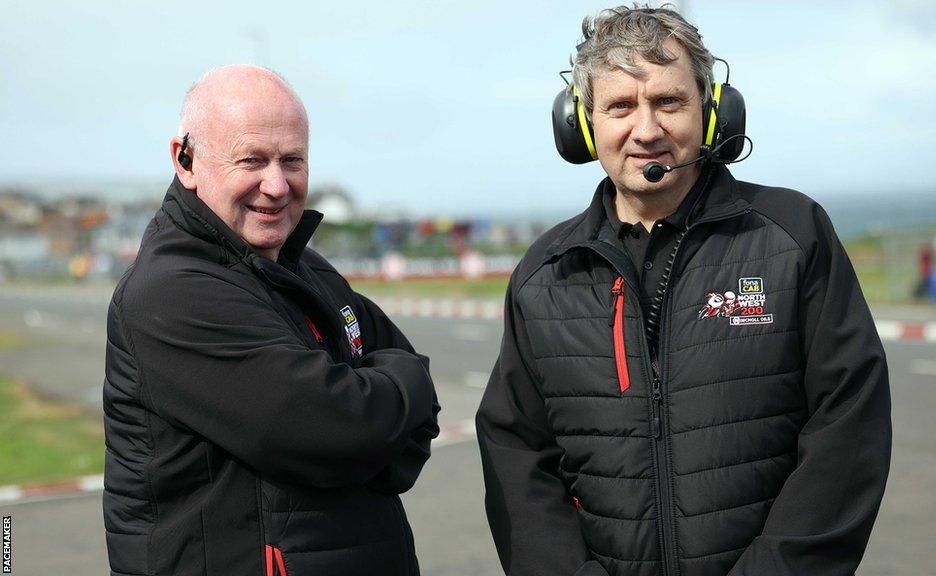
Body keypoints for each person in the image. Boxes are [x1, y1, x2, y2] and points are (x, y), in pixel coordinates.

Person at [476, 6, 891, 576]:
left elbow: (849, 423)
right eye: (620, 106)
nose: (646, 130)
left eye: (668, 102)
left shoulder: (793, 234)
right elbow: (515, 456)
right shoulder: (545, 271)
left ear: (712, 111)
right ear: (582, 122)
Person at [103, 65, 439, 576]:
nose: (277, 185)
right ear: (185, 160)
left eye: (292, 160)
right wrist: (379, 414)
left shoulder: (306, 268)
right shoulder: (171, 293)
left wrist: (377, 428)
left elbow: (407, 418)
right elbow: (337, 431)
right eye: (252, 161)